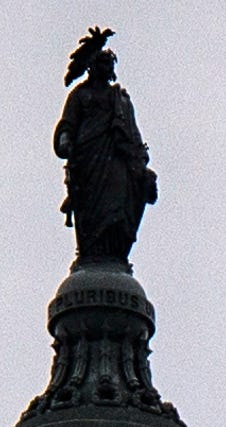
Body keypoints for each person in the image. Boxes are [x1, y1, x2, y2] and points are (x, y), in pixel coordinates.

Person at [57, 28, 157, 268]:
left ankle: (114, 252)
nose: (105, 68)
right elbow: (67, 124)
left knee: (117, 202)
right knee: (90, 205)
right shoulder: (80, 95)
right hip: (88, 157)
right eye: (100, 63)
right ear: (91, 66)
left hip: (117, 159)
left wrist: (140, 163)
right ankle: (90, 252)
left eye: (108, 64)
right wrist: (65, 139)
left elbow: (133, 134)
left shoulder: (120, 99)